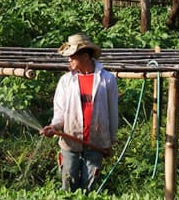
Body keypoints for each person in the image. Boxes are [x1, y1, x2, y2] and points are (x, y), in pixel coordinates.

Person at [39, 33, 119, 193]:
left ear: (85, 56)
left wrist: (111, 140)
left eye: (72, 56)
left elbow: (112, 112)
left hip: (96, 142)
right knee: (68, 185)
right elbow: (59, 112)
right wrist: (54, 126)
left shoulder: (107, 79)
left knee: (88, 188)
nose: (69, 60)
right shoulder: (66, 81)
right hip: (70, 141)